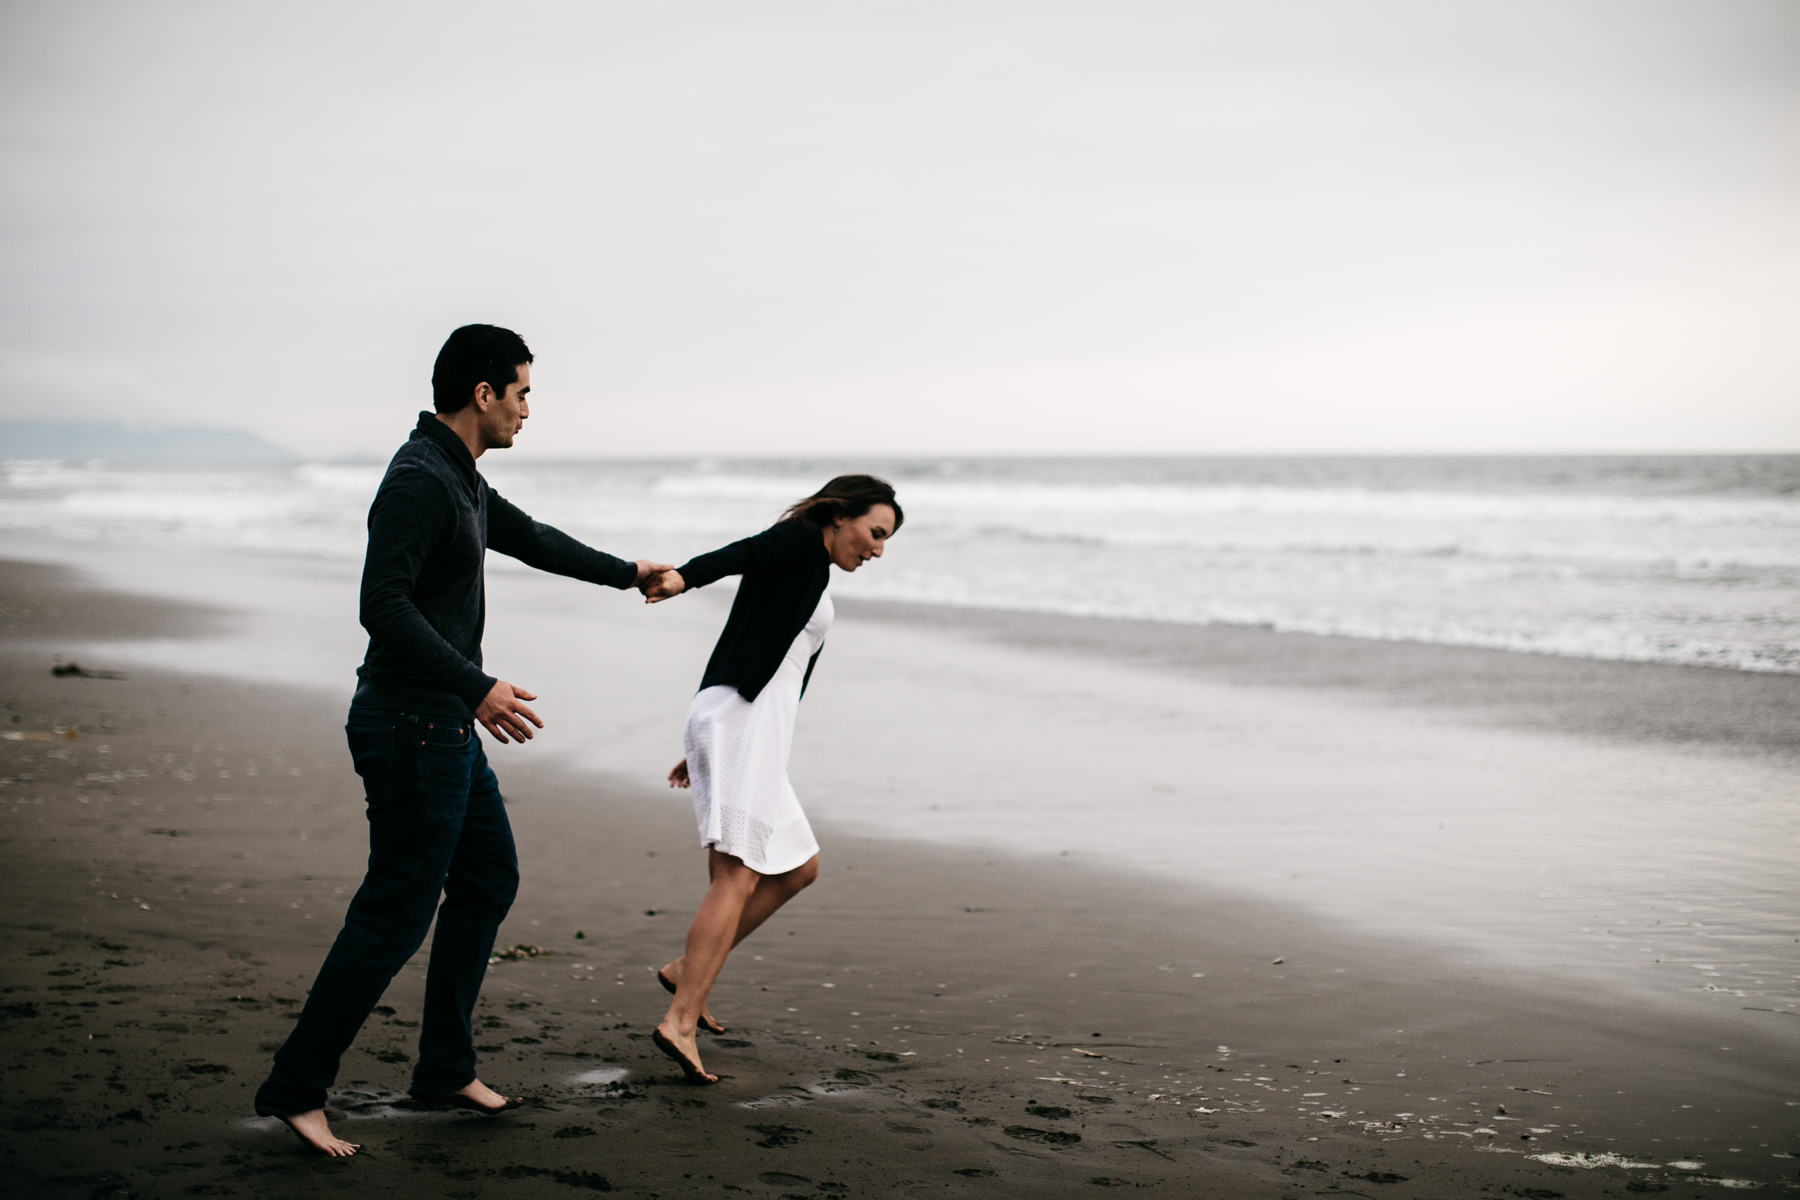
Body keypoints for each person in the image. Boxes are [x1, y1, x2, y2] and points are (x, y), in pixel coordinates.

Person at [253, 324, 672, 1155]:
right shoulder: (418, 481)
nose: (527, 411)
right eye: (521, 394)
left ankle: (443, 1065)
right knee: (394, 912)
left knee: (486, 880)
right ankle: (297, 1087)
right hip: (410, 726)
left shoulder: (462, 478)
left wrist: (630, 572)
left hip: (439, 723)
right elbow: (384, 605)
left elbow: (537, 540)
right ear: (483, 395)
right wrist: (475, 684)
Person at [641, 474, 902, 1083]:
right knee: (737, 874)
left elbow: (777, 661)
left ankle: (689, 970)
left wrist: (706, 745)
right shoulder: (798, 544)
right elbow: (744, 552)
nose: (878, 549)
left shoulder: (814, 569)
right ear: (839, 515)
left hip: (746, 729)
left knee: (797, 867)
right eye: (875, 532)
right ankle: (681, 1019)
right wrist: (684, 577)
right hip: (740, 722)